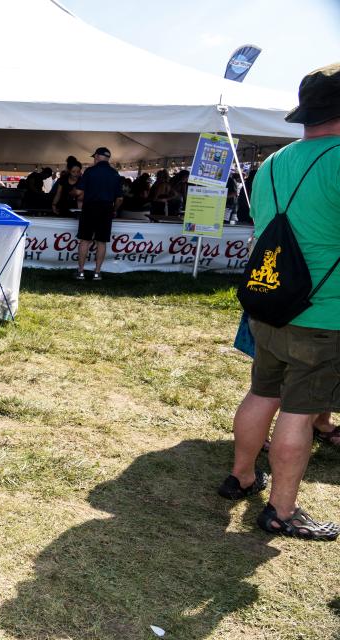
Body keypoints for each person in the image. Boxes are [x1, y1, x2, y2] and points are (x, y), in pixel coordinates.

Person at [219, 62, 340, 541]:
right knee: (298, 410)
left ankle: (241, 475)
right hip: (323, 311)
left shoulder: (274, 162)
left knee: (262, 392)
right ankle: (282, 512)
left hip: (269, 303)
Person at [75, 146, 122, 280]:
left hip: (90, 207)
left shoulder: (90, 171)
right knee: (101, 241)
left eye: (95, 157)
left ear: (96, 156)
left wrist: (72, 193)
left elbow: (79, 192)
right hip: (106, 209)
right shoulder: (115, 174)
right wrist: (114, 210)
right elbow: (120, 198)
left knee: (85, 240)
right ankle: (97, 272)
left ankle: (81, 272)